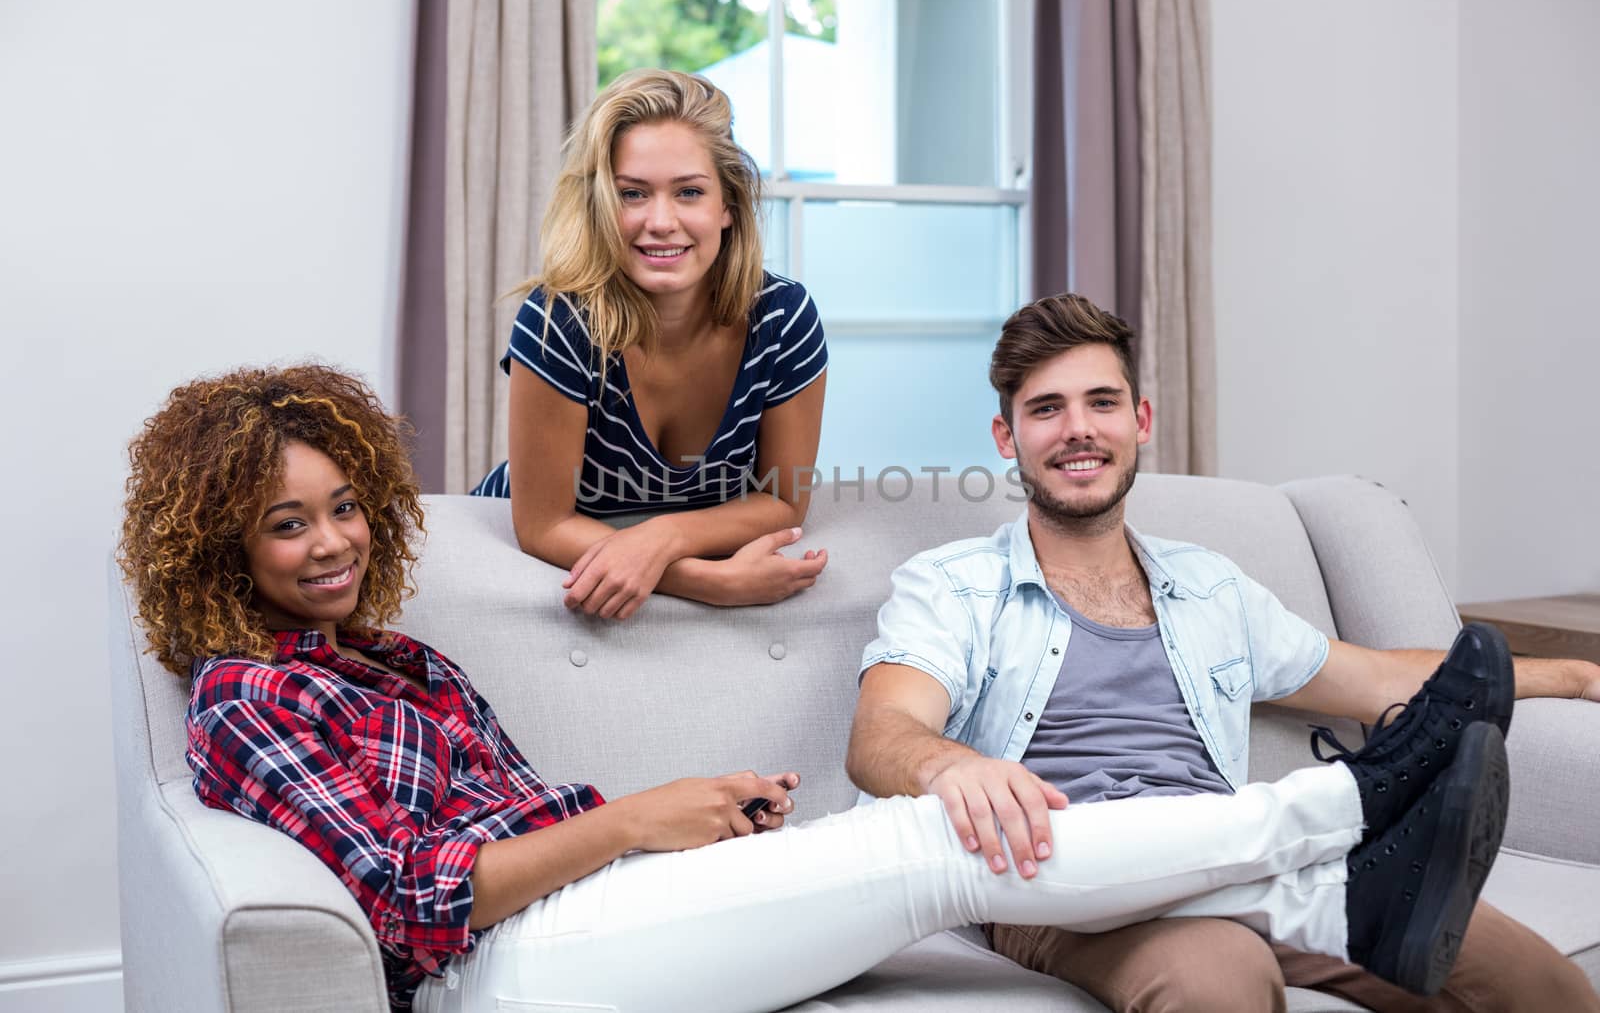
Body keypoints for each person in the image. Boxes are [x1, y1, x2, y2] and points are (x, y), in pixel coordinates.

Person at [120, 365, 1513, 1012]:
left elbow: (526, 822)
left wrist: (693, 813)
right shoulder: (247, 697)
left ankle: (1329, 889)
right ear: (224, 543)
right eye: (290, 522)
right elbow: (415, 901)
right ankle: (1340, 808)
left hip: (590, 912)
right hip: (504, 970)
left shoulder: (405, 660)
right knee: (925, 840)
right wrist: (634, 819)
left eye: (346, 506)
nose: (334, 541)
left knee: (916, 853)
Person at [845, 294, 1600, 1012]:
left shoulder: (1210, 588)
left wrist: (1575, 674)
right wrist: (952, 765)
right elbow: (882, 733)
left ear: (1139, 420)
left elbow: (1378, 678)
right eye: (1047, 409)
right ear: (1007, 438)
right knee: (1219, 980)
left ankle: (1346, 823)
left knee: (1536, 979)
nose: (1079, 429)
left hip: (1231, 854)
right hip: (1065, 879)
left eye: (1101, 402)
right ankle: (1355, 803)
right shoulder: (953, 585)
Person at [470, 69, 828, 620]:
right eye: (632, 194)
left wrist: (661, 537)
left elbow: (781, 502)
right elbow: (543, 524)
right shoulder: (557, 321)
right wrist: (706, 583)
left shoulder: (783, 318)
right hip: (529, 567)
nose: (660, 222)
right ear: (600, 206)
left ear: (727, 206)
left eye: (689, 192)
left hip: (630, 556)